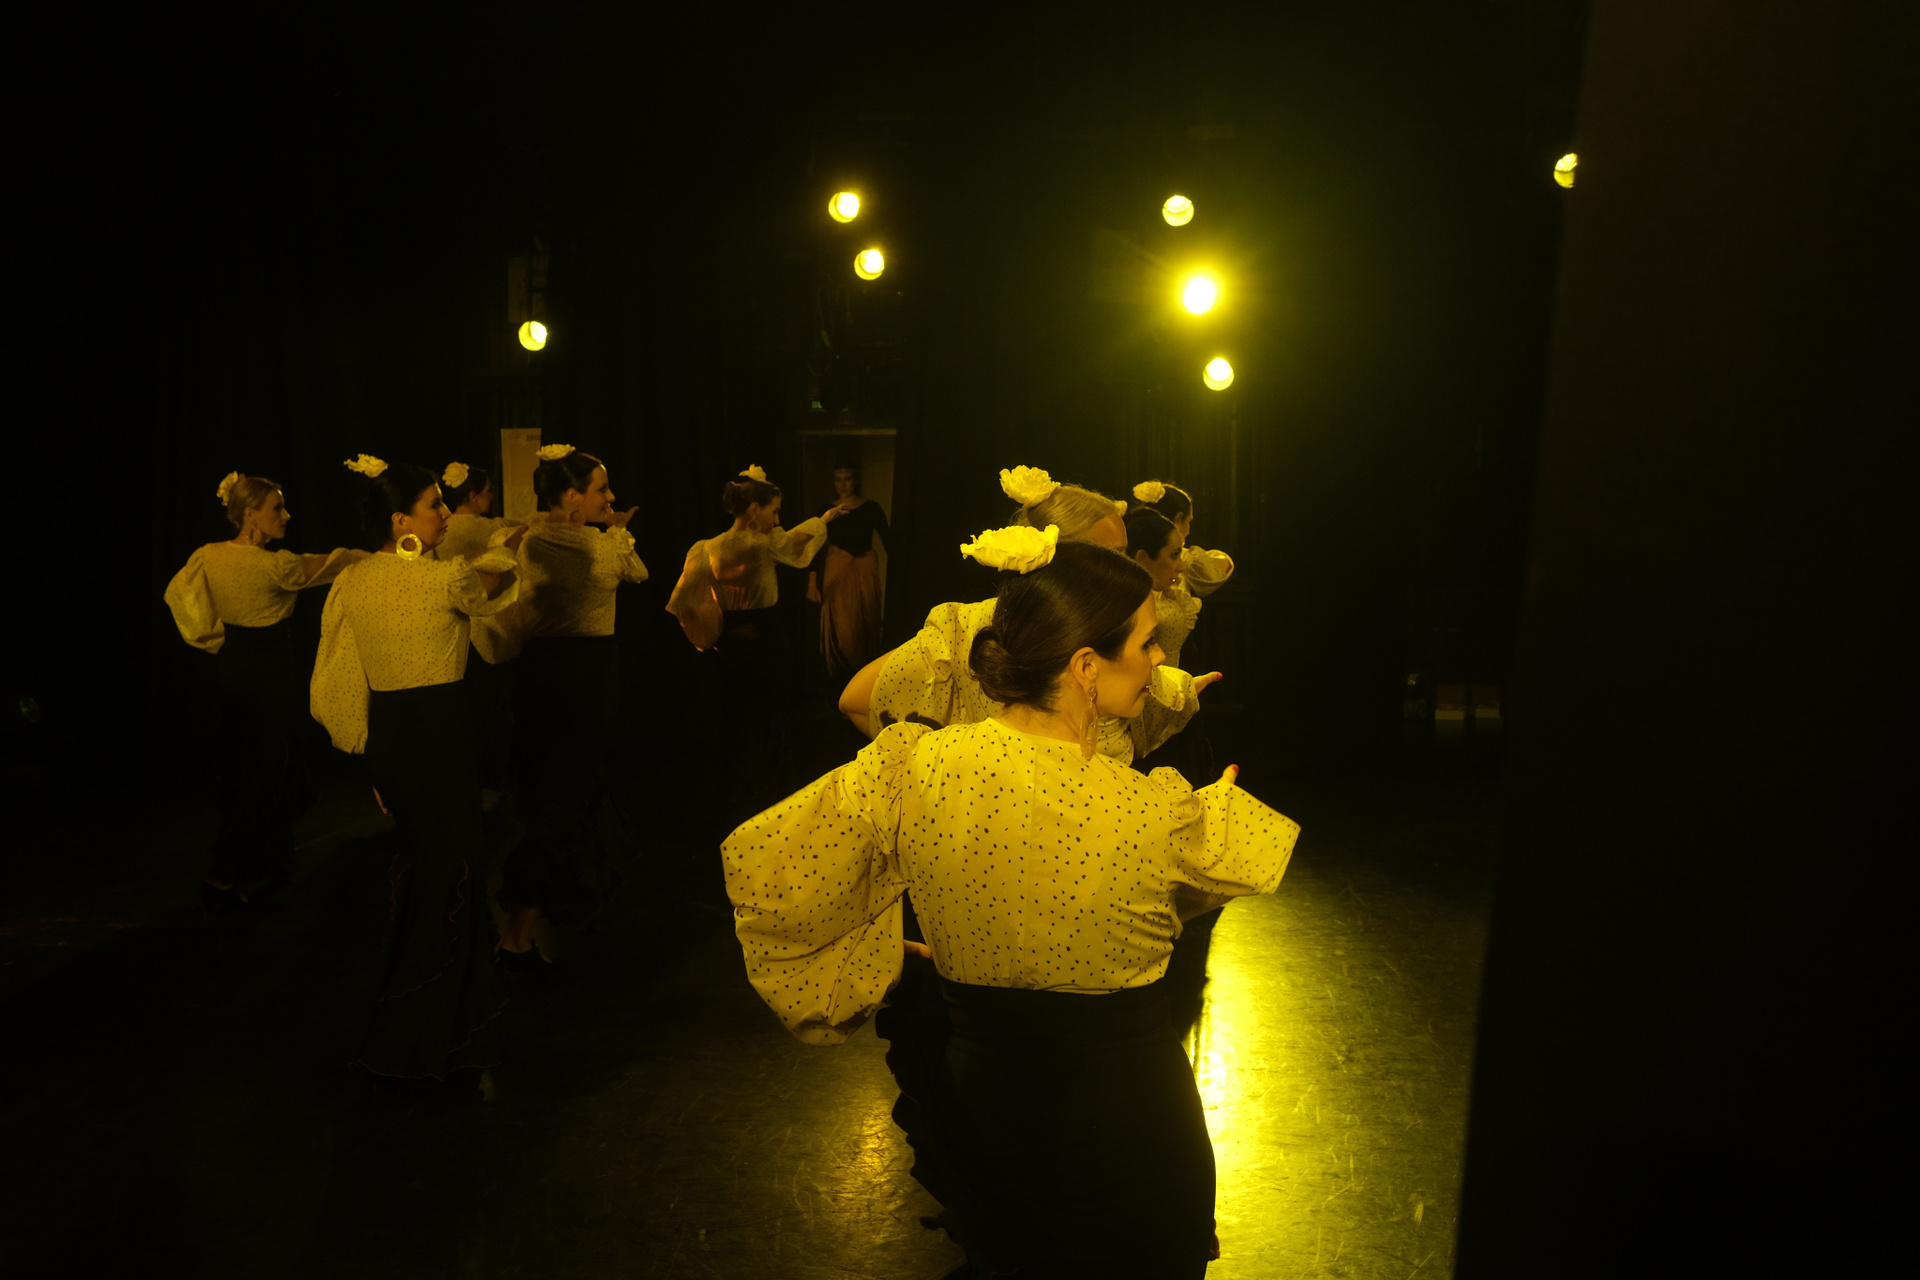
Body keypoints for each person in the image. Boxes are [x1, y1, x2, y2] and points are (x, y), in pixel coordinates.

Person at [724, 533, 1301, 1278]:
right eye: (1148, 643)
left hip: (985, 1111)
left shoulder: (913, 768)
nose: (1161, 658)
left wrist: (887, 958)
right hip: (1126, 1120)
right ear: (1086, 667)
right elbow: (1173, 902)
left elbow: (769, 871)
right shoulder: (1155, 812)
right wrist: (1209, 812)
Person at [311, 454, 521, 1083]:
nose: (446, 514)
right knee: (453, 868)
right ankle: (429, 1026)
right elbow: (493, 583)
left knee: (430, 867)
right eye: (435, 505)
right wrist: (510, 543)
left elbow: (339, 676)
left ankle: (430, 1022)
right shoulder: (444, 579)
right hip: (438, 737)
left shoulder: (352, 581)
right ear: (400, 520)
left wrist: (369, 757)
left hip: (394, 741)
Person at [839, 465, 1218, 764]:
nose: (1124, 570)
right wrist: (956, 764)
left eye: (1124, 554)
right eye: (1112, 557)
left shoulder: (1111, 634)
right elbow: (856, 701)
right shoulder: (974, 626)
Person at [164, 471, 363, 909]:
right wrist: (374, 557)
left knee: (252, 767)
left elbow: (181, 597)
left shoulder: (208, 555)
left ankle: (272, 859)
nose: (286, 516)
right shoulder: (274, 566)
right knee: (263, 771)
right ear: (250, 514)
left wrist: (215, 637)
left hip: (233, 670)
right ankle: (222, 876)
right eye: (277, 508)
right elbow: (332, 563)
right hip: (267, 678)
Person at [483, 444, 649, 964]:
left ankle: (560, 911)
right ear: (573, 497)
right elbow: (637, 572)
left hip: (538, 673)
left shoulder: (520, 537)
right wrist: (617, 530)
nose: (611, 497)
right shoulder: (595, 545)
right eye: (602, 489)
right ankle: (518, 932)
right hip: (585, 675)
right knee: (563, 797)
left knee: (555, 792)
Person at [666, 466, 841, 816]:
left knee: (737, 712)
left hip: (730, 641)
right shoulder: (763, 544)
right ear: (754, 509)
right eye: (774, 512)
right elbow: (793, 544)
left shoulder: (708, 548)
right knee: (768, 712)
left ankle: (737, 788)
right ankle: (767, 789)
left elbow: (684, 599)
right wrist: (823, 520)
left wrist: (714, 629)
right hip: (765, 638)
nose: (778, 520)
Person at [435, 461, 527, 788]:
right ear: (473, 496)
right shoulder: (489, 529)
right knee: (493, 707)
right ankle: (492, 776)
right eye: (487, 493)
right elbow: (526, 527)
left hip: (452, 630)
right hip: (487, 626)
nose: (491, 498)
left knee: (469, 707)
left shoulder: (438, 532)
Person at [806, 462, 890, 680]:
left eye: (847, 479)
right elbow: (816, 546)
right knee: (841, 626)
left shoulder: (871, 508)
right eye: (838, 479)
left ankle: (864, 677)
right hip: (837, 570)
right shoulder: (827, 511)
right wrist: (812, 582)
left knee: (867, 621)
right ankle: (840, 679)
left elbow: (889, 542)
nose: (843, 484)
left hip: (864, 569)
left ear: (855, 481)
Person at [1130, 480, 1234, 602]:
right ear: (1178, 519)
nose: (1189, 530)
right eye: (1189, 521)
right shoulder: (1188, 562)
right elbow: (1222, 567)